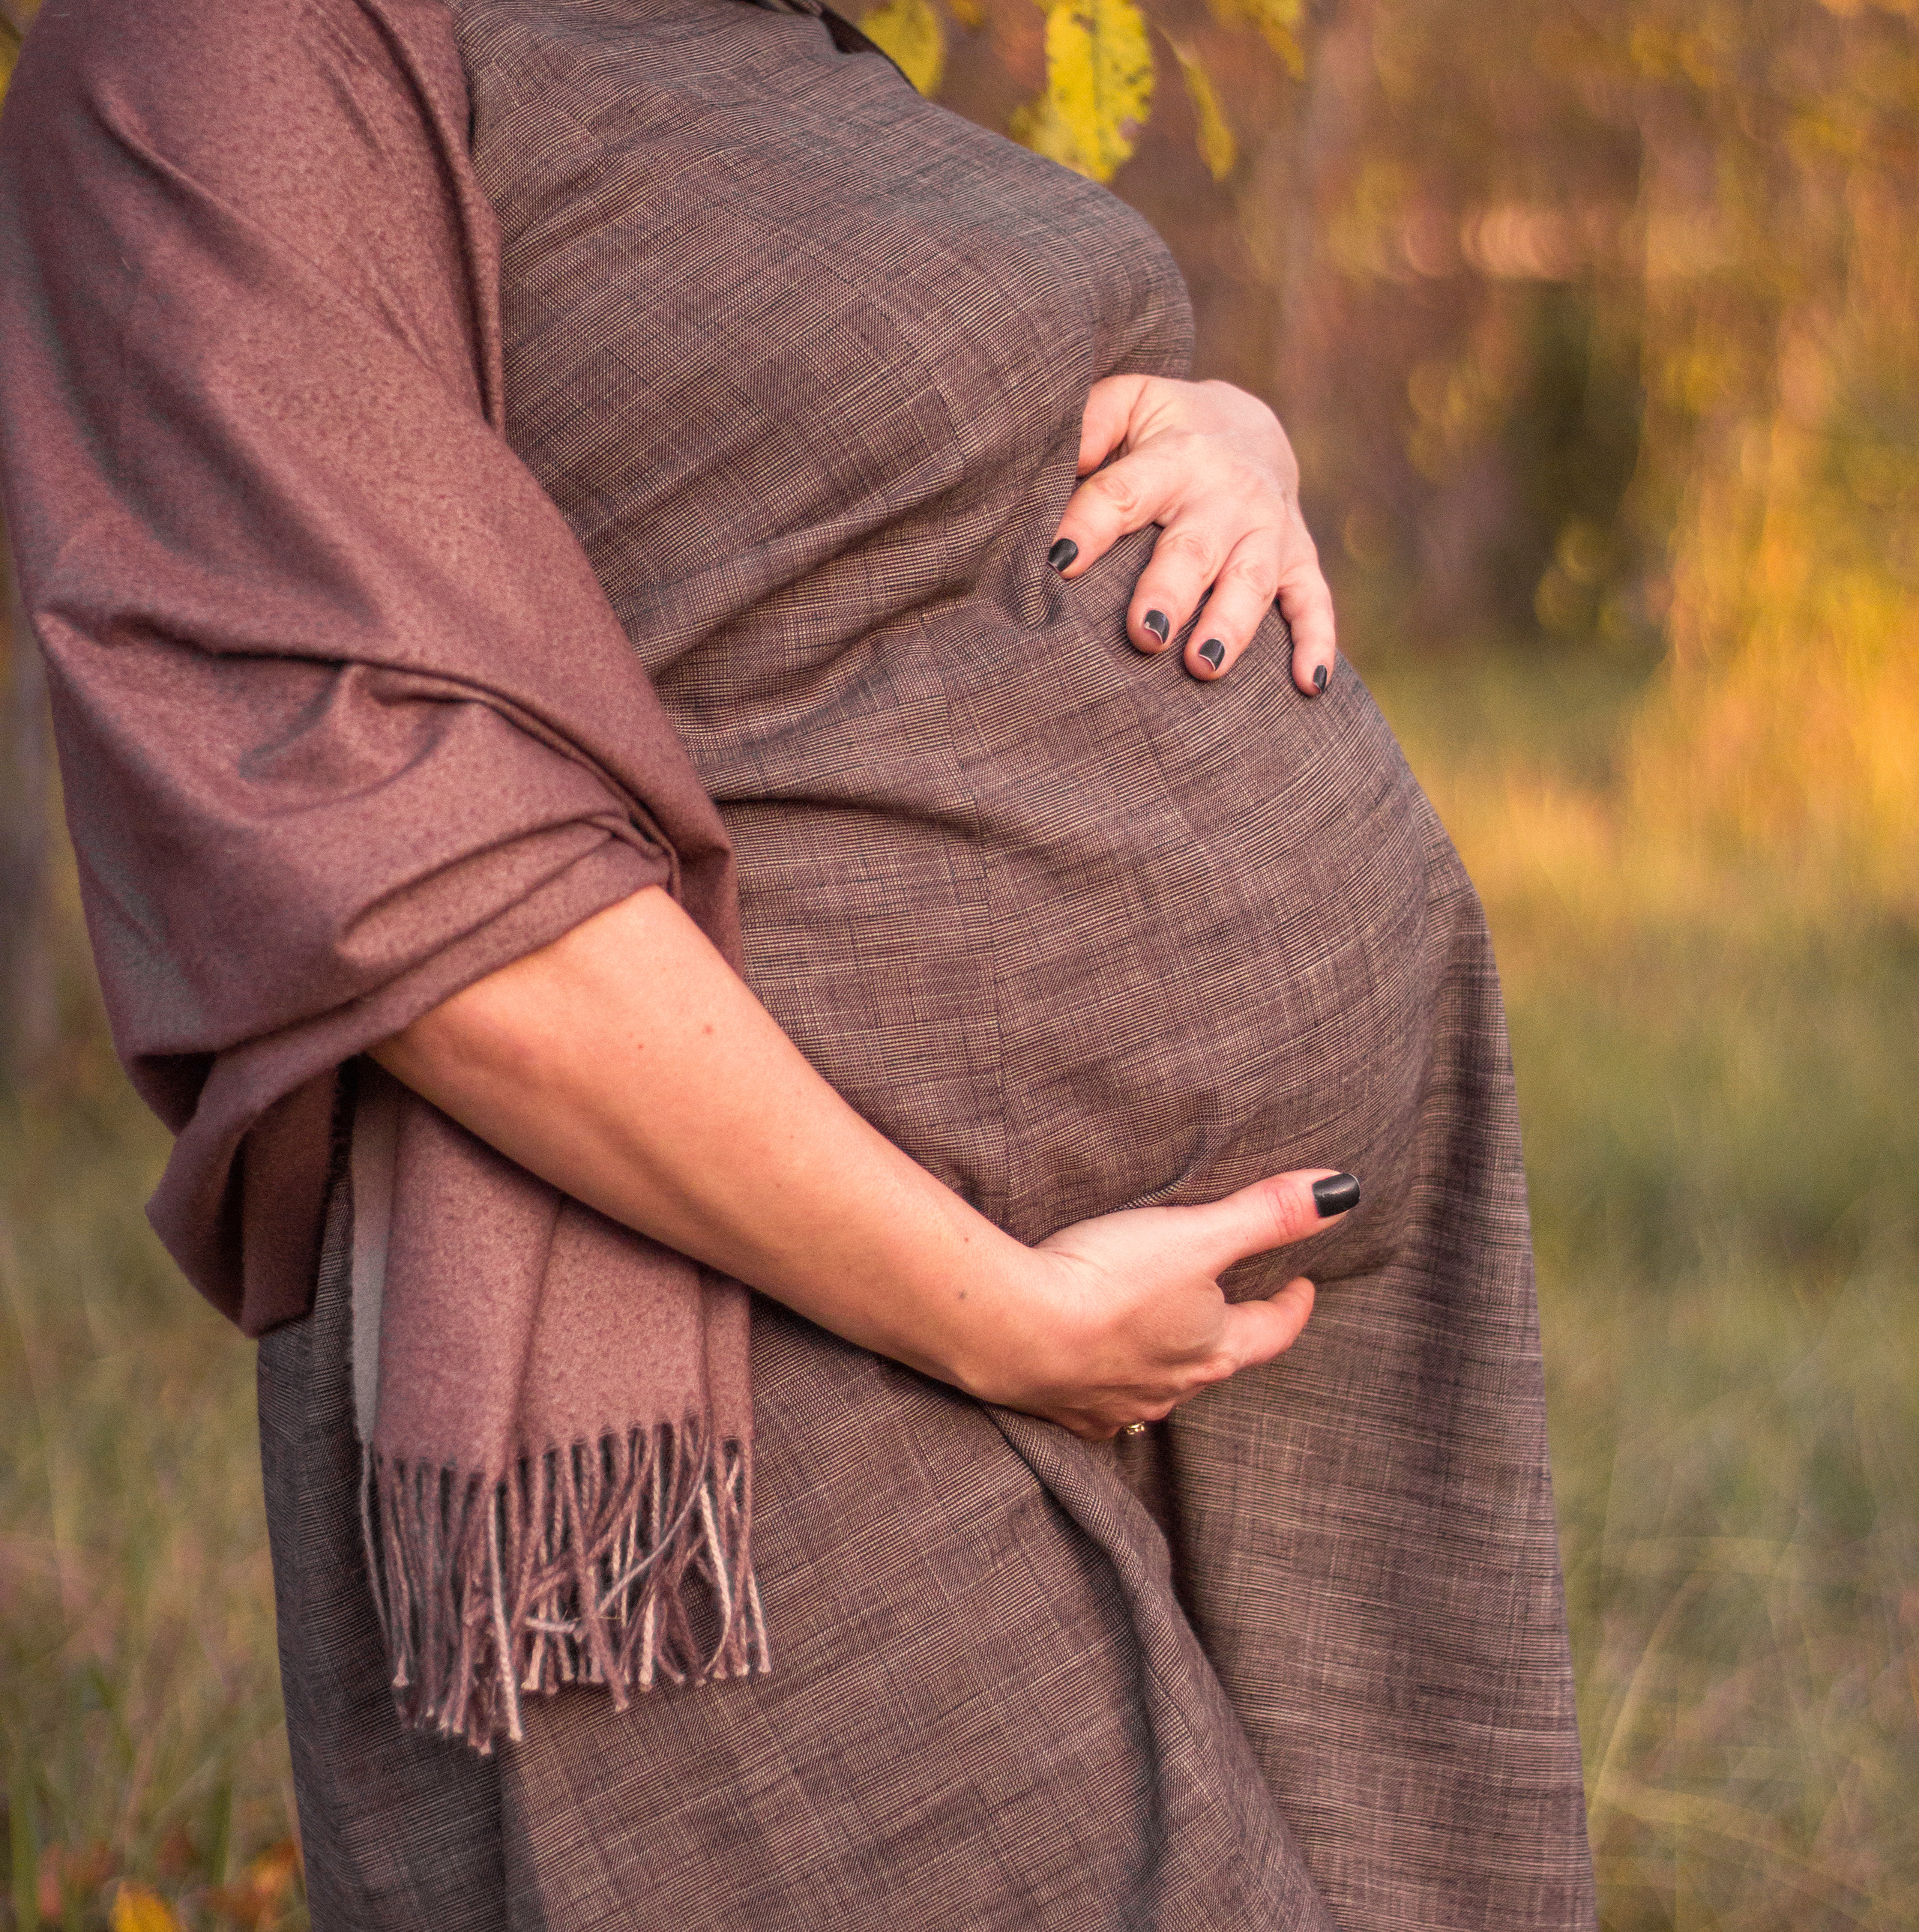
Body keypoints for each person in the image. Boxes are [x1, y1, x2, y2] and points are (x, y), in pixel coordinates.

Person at [0, 0, 1596, 1926]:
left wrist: (1219, 425)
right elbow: (373, 839)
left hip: (1255, 1325)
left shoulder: (755, 32)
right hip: (796, 1315)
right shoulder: (213, 50)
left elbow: (833, 496)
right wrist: (1000, 1315)